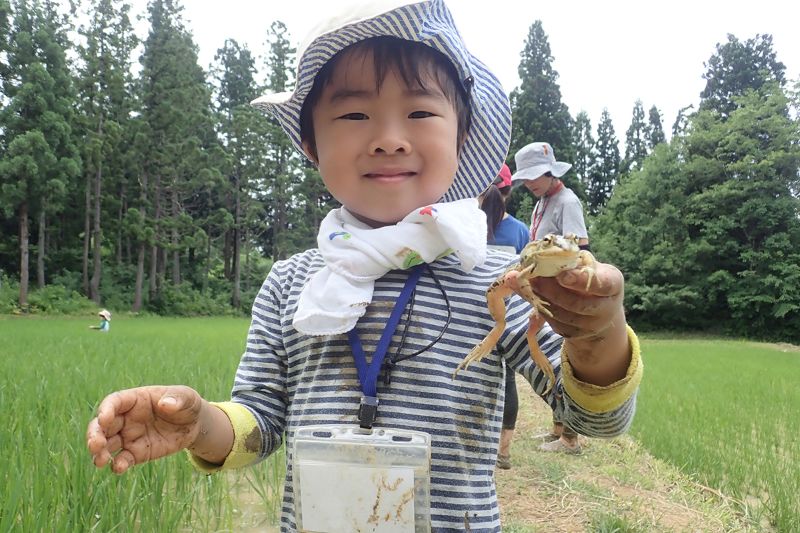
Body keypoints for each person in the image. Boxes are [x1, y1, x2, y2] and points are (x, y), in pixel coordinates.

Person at [86, 2, 642, 530]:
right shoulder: (290, 285)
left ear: (462, 136)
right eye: (354, 113)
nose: (389, 139)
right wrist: (199, 424)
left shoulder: (499, 277)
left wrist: (597, 334)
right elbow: (260, 418)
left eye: (421, 112)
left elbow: (598, 420)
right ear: (311, 144)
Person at [511, 141, 591, 454]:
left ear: (549, 171)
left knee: (565, 361)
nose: (529, 182)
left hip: (564, 294)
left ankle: (571, 438)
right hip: (544, 294)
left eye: (534, 176)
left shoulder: (567, 202)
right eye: (526, 178)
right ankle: (558, 427)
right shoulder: (543, 200)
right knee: (546, 358)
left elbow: (580, 252)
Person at [478, 163, 529, 470]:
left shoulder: (463, 227)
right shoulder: (520, 231)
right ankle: (503, 451)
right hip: (505, 315)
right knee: (506, 378)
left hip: (467, 312)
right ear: (508, 193)